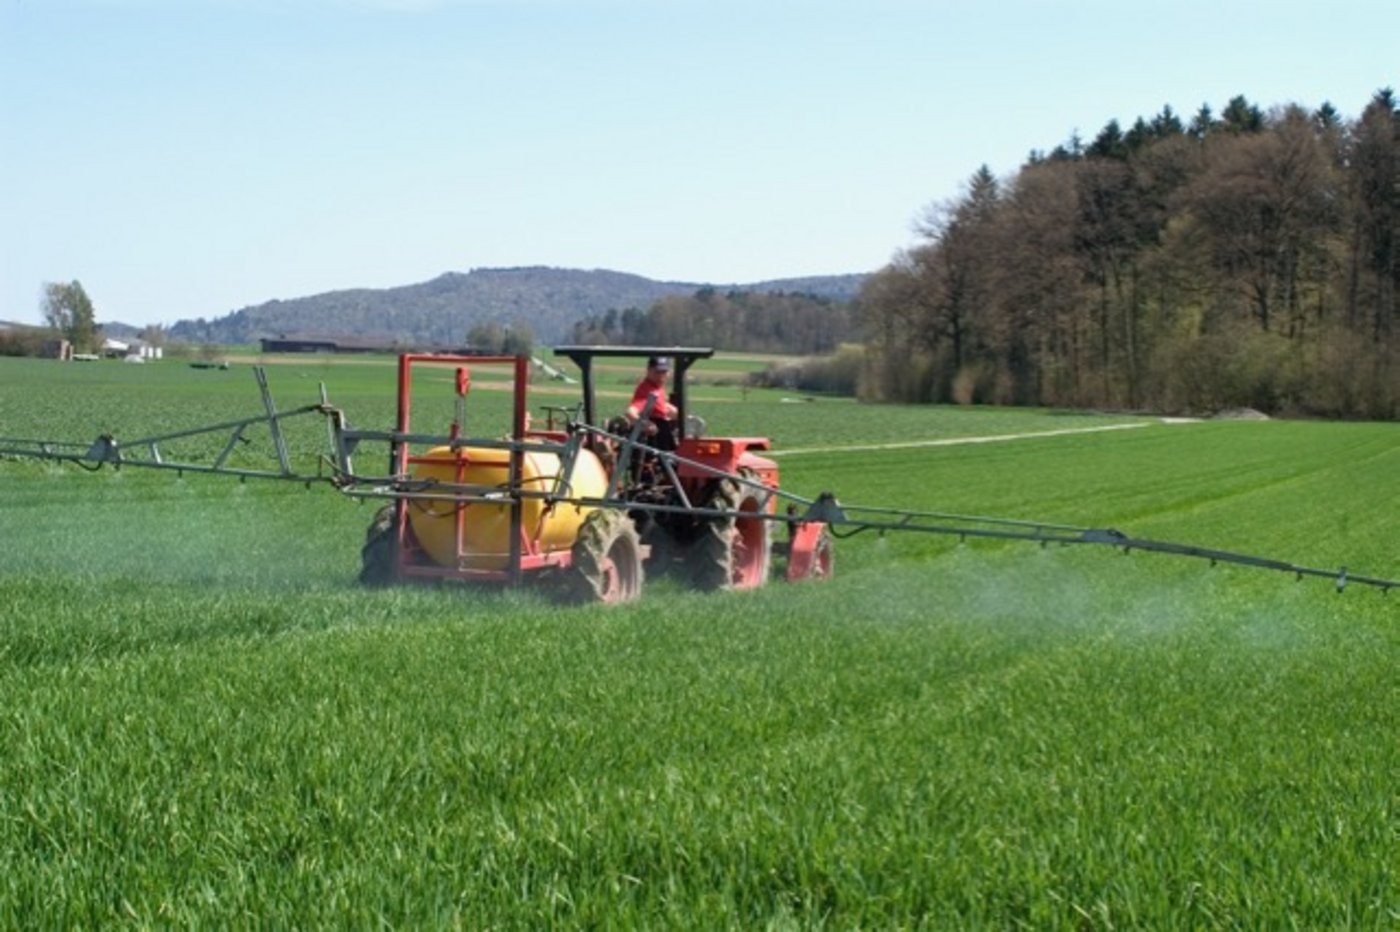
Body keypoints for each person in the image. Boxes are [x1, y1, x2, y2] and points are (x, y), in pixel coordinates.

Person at [624, 355, 679, 448]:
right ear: (648, 371)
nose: (661, 376)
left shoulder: (657, 387)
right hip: (654, 440)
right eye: (657, 372)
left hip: (664, 433)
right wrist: (645, 424)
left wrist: (670, 409)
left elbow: (659, 405)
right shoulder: (646, 390)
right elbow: (630, 412)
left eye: (664, 372)